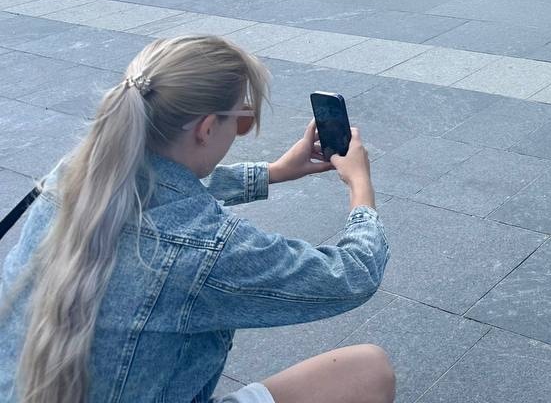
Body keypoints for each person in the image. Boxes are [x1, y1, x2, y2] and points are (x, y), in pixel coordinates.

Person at [0, 36, 394, 403]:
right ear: (207, 128)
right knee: (368, 370)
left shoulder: (71, 175)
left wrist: (272, 171)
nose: (242, 128)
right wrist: (360, 186)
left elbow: (157, 196)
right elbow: (352, 275)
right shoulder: (206, 250)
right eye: (242, 120)